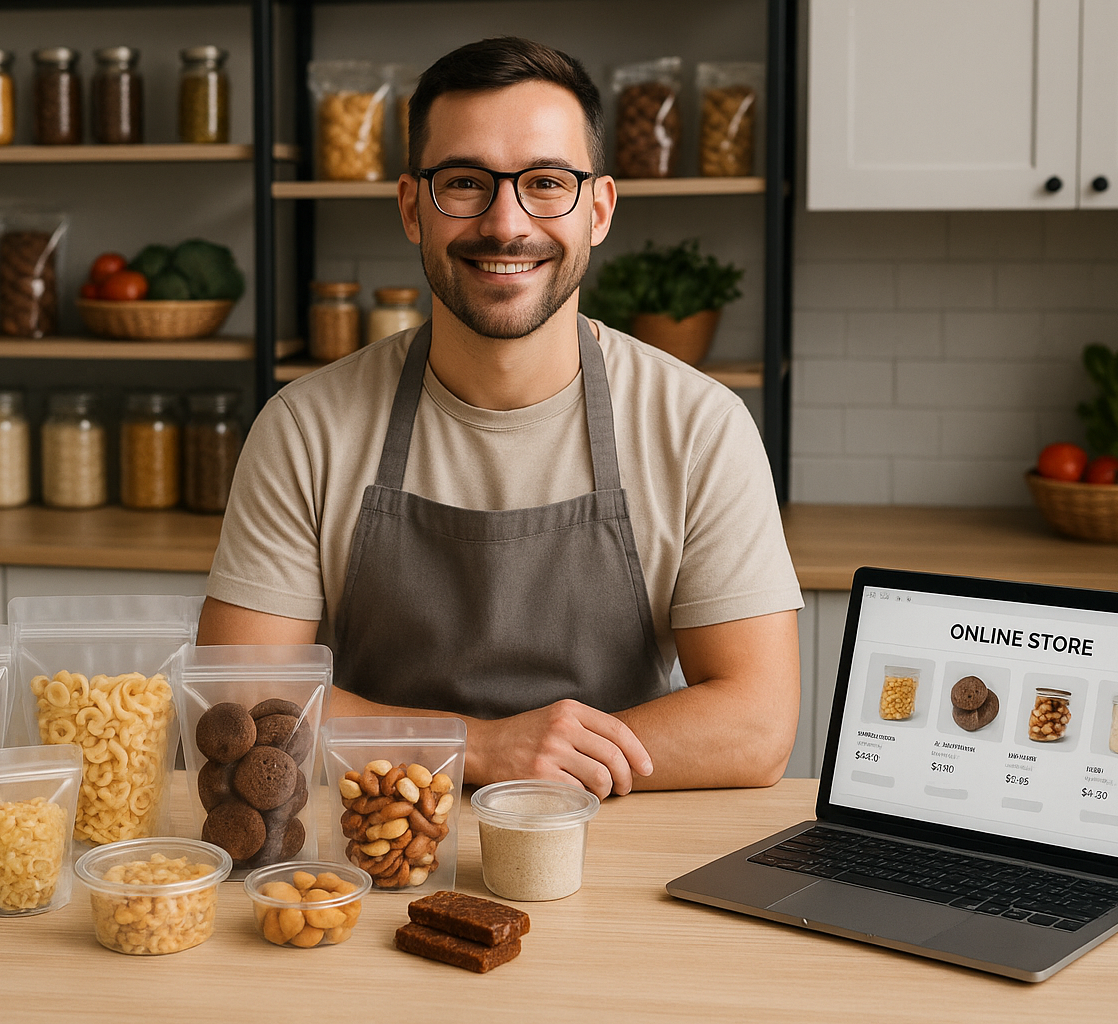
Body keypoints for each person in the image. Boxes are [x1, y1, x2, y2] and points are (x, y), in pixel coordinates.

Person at [200, 36, 803, 798]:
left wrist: (544, 765)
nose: (505, 223)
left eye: (547, 182)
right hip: (374, 852)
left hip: (615, 858)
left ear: (600, 209)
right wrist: (478, 750)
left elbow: (756, 725)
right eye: (464, 182)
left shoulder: (698, 426)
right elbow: (244, 703)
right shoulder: (304, 429)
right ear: (412, 207)